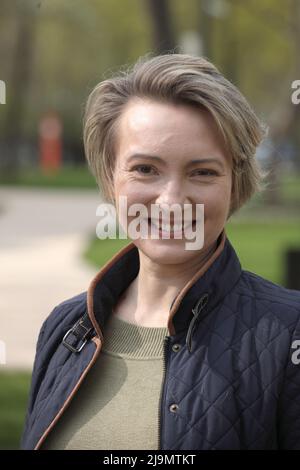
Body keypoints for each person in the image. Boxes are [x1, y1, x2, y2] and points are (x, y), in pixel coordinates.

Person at [21, 53, 300, 450]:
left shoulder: (290, 334)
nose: (171, 201)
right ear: (110, 174)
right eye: (146, 169)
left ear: (234, 184)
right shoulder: (64, 328)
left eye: (202, 172)